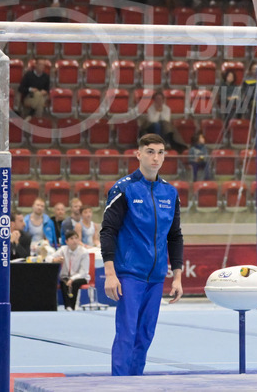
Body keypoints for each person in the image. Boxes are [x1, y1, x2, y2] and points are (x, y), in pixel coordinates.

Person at [101, 133, 184, 376]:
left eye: (160, 152)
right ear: (138, 154)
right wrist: (110, 273)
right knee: (127, 333)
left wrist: (177, 277)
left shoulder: (170, 193)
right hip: (129, 274)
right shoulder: (123, 188)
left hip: (156, 277)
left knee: (146, 334)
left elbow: (175, 236)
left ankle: (135, 382)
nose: (155, 157)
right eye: (150, 151)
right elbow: (108, 231)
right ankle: (120, 385)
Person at [53, 230, 91, 310]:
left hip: (81, 277)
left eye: (76, 238)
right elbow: (49, 257)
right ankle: (67, 306)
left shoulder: (84, 252)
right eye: (71, 238)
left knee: (75, 283)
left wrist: (72, 279)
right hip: (67, 276)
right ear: (66, 241)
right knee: (63, 282)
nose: (74, 240)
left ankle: (73, 306)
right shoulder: (63, 250)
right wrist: (54, 260)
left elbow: (83, 272)